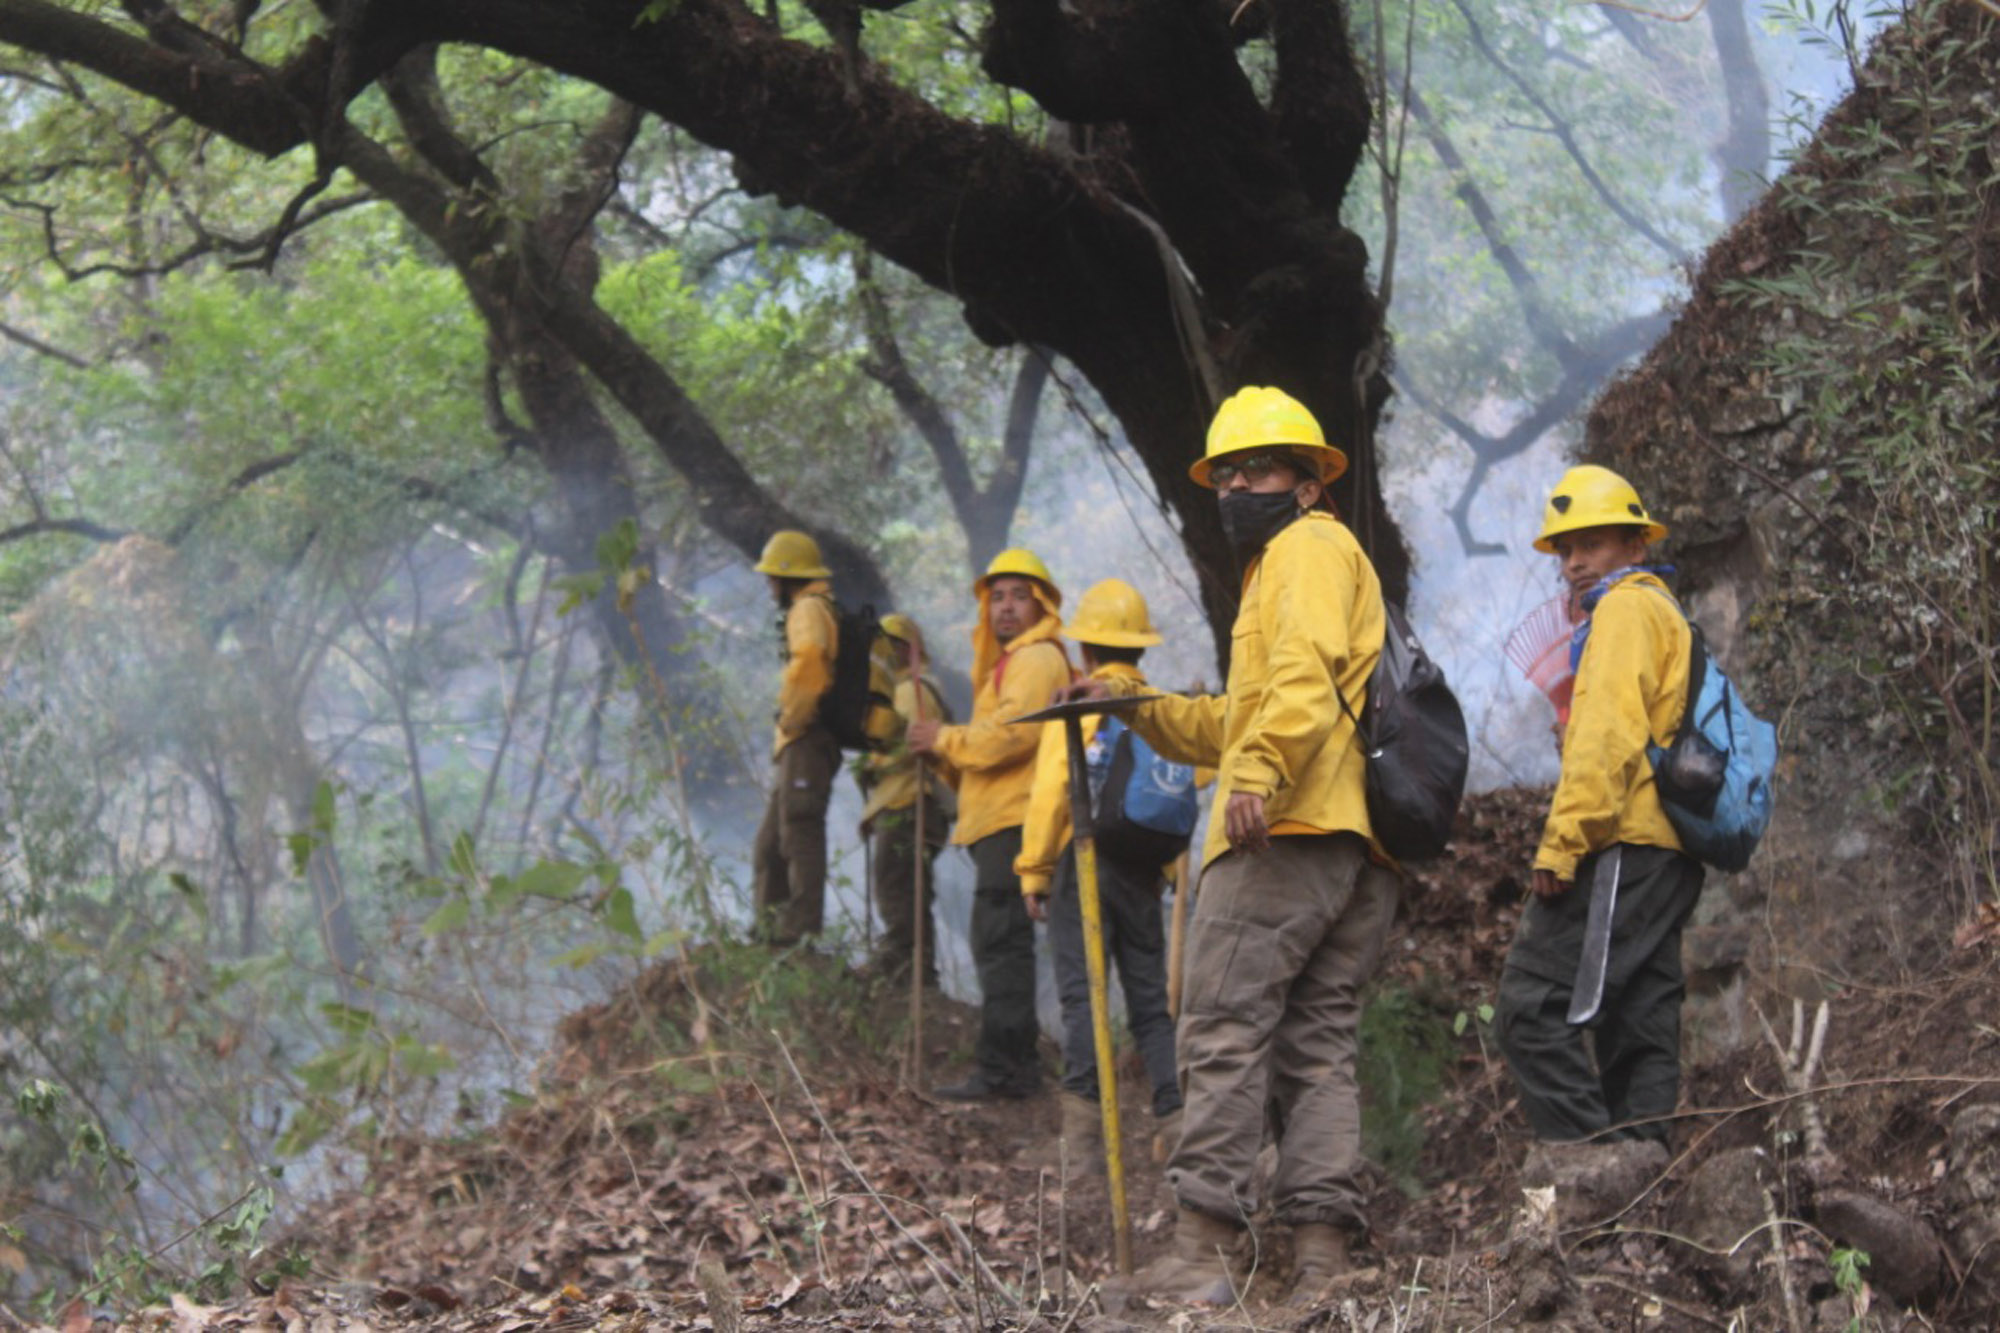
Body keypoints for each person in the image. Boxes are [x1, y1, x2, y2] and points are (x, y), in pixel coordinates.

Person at [1076, 387, 1398, 1305]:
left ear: (1307, 483)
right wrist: (1134, 707)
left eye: (1259, 469)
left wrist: (1255, 773)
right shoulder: (1311, 561)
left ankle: (1203, 1254)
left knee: (1219, 1026)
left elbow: (1289, 689)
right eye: (1225, 474)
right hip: (1352, 845)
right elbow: (1240, 714)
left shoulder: (1302, 550)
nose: (1237, 487)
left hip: (1285, 834)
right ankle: (1322, 1263)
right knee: (1316, 1049)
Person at [1496, 465, 1703, 1167]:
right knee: (1640, 1015)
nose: (1574, 562)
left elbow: (1608, 739)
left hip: (1621, 844)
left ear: (1635, 546)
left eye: (1591, 543)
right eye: (1564, 549)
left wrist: (1561, 845)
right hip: (1668, 850)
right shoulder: (1662, 611)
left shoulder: (1620, 611)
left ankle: (1591, 1168)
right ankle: (1643, 1178)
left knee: (1530, 1004)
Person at [1015, 579, 1186, 1167]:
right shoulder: (1159, 707)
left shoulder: (1084, 703)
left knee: (1083, 998)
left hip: (1082, 862)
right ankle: (1179, 1127)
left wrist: (1034, 872)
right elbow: (1187, 783)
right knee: (1149, 1005)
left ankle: (1083, 1144)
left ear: (1086, 649)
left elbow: (1052, 792)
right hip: (1142, 870)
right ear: (1141, 648)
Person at [909, 548, 1071, 1101]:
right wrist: (942, 757)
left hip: (1014, 824)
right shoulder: (1006, 666)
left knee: (1002, 944)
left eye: (1019, 596)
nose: (1005, 608)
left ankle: (1007, 1073)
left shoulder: (1035, 659)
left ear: (1041, 603)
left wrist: (946, 739)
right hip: (999, 821)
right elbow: (986, 766)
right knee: (997, 942)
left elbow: (1013, 736)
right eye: (996, 597)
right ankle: (1013, 1065)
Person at [749, 529, 840, 946]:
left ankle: (799, 934)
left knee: (799, 831)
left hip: (806, 738)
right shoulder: (816, 607)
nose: (769, 586)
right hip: (800, 742)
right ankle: (769, 933)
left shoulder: (806, 609)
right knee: (770, 844)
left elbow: (810, 662)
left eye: (773, 577)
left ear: (788, 577)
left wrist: (792, 719)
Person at [858, 613, 955, 987]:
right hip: (902, 802)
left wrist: (875, 762)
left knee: (898, 881)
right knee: (899, 882)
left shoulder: (913, 691)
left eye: (889, 645)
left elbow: (914, 743)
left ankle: (906, 965)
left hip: (910, 803)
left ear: (906, 649)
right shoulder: (900, 691)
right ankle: (910, 966)